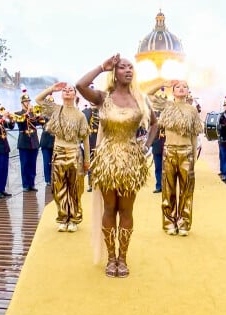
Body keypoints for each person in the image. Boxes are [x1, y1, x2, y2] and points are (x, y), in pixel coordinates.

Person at [76, 54, 157, 278]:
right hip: (107, 160)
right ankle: (111, 257)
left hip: (131, 161)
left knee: (126, 210)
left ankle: (123, 257)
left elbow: (155, 124)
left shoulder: (141, 99)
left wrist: (146, 145)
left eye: (131, 67)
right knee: (110, 208)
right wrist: (102, 66)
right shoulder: (104, 97)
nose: (128, 70)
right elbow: (80, 85)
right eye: (122, 67)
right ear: (115, 72)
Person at [147, 80, 203, 236]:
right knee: (168, 189)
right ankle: (169, 222)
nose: (181, 88)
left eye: (185, 86)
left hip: (186, 152)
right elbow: (149, 94)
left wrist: (193, 155)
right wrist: (162, 83)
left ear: (188, 91)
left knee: (186, 190)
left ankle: (184, 223)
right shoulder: (167, 106)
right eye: (178, 86)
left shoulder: (192, 110)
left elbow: (194, 135)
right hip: (169, 151)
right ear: (173, 91)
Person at [36, 83, 90, 232]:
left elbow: (85, 139)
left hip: (74, 153)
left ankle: (74, 219)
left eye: (70, 90)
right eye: (65, 90)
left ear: (75, 95)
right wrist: (51, 89)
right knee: (58, 187)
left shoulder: (80, 115)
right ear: (62, 94)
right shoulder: (55, 109)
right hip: (58, 151)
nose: (67, 91)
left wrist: (87, 160)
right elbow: (38, 100)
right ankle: (63, 217)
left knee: (75, 188)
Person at [14, 89, 43, 192]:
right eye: (26, 102)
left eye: (29, 101)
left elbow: (40, 123)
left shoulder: (33, 113)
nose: (28, 103)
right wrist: (27, 112)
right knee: (25, 164)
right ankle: (26, 185)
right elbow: (21, 124)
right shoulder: (18, 113)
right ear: (22, 103)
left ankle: (32, 184)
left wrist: (39, 116)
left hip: (34, 142)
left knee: (33, 164)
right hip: (24, 142)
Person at [82, 101, 99, 192]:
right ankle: (91, 184)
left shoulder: (102, 111)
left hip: (100, 140)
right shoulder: (85, 112)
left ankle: (100, 182)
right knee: (90, 163)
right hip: (90, 140)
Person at [39, 96, 55, 186]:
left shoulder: (56, 114)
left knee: (54, 161)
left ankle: (54, 177)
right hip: (45, 141)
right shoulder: (43, 114)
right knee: (46, 162)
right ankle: (47, 179)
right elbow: (40, 121)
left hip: (54, 141)